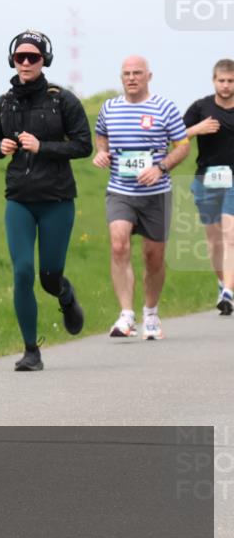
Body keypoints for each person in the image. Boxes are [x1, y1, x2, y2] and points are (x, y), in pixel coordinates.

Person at [0, 30, 91, 372]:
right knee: (22, 273)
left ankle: (64, 295)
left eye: (34, 57)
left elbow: (83, 145)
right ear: (12, 60)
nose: (27, 62)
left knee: (48, 275)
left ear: (45, 60)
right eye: (20, 57)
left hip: (57, 200)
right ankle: (31, 351)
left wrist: (42, 146)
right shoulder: (4, 103)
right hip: (19, 199)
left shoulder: (63, 101)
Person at [93, 56, 190, 339]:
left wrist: (160, 168)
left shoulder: (164, 107)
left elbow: (182, 146)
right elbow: (101, 136)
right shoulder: (110, 107)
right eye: (126, 73)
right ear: (121, 77)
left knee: (154, 256)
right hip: (120, 190)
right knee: (119, 245)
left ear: (149, 76)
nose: (131, 78)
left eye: (137, 73)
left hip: (156, 194)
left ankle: (151, 312)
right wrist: (102, 152)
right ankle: (126, 315)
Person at [183, 59, 234, 315]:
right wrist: (197, 129)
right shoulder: (201, 107)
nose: (225, 86)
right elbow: (175, 136)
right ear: (214, 81)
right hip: (206, 178)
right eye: (221, 80)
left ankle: (228, 292)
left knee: (230, 233)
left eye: (230, 81)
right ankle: (223, 282)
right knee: (214, 240)